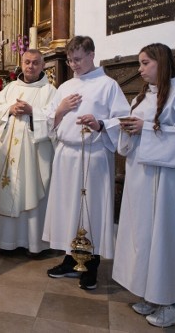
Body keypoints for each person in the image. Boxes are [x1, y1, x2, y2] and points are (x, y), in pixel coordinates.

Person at [112, 43, 175, 328]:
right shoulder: (143, 97)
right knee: (144, 237)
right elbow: (134, 136)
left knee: (165, 239)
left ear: (161, 62)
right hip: (142, 179)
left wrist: (146, 131)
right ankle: (153, 296)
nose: (139, 69)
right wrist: (129, 128)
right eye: (139, 64)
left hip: (168, 183)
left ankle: (174, 305)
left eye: (144, 63)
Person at [42, 35, 129, 290]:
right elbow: (49, 120)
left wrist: (100, 124)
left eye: (77, 59)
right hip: (66, 155)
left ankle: (91, 266)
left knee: (92, 210)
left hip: (93, 156)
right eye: (69, 60)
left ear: (92, 55)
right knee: (69, 208)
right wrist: (61, 110)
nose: (73, 65)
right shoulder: (65, 87)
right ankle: (70, 260)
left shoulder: (108, 85)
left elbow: (123, 120)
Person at [0, 49, 56, 257]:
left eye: (35, 63)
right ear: (21, 63)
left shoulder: (50, 91)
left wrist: (32, 112)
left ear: (42, 65)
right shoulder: (11, 88)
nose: (30, 67)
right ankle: (7, 242)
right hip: (9, 152)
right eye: (27, 62)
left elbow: (55, 118)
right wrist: (9, 110)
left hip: (33, 155)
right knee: (10, 189)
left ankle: (34, 244)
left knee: (31, 190)